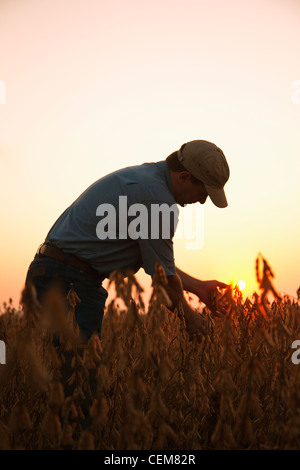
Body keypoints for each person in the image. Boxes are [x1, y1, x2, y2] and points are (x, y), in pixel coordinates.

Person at [25, 139, 230, 344]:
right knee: (78, 371)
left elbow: (159, 267)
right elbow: (164, 281)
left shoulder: (147, 178)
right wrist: (190, 318)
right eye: (203, 193)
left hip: (51, 272)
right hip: (70, 284)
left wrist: (198, 287)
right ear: (184, 177)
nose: (202, 201)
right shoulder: (158, 201)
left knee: (49, 369)